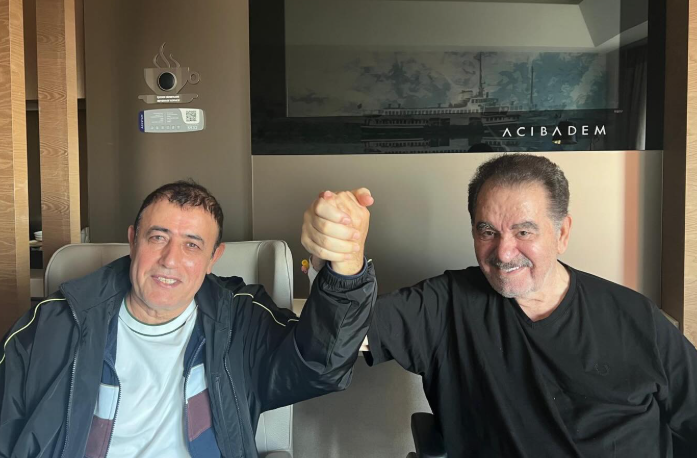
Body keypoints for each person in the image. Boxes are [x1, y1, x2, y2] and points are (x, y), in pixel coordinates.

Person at [302, 154, 697, 457]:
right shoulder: (446, 305)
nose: (504, 252)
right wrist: (336, 261)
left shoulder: (636, 318)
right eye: (487, 231)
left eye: (524, 231)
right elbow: (338, 335)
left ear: (562, 233)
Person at [0, 180, 376, 458]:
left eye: (192, 245)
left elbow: (320, 365)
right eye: (157, 238)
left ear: (214, 258)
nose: (170, 260)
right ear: (133, 241)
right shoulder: (49, 326)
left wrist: (344, 268)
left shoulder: (240, 321)